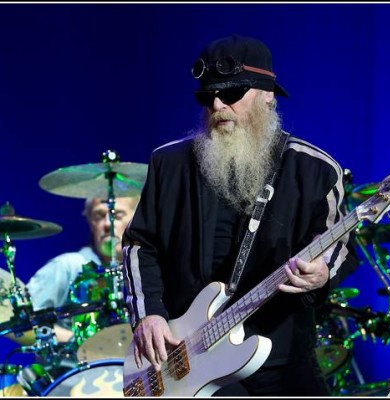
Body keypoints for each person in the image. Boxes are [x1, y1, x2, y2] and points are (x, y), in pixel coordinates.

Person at [122, 34, 358, 396]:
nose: (218, 104)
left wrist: (323, 271)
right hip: (186, 359)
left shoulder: (315, 169)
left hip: (279, 357)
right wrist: (149, 314)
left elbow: (335, 241)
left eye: (231, 94)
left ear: (268, 94)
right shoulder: (168, 164)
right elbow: (140, 244)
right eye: (208, 97)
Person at [11, 196, 139, 347]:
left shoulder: (147, 274)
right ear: (90, 222)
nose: (107, 224)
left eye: (116, 215)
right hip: (74, 367)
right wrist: (83, 343)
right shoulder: (68, 266)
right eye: (99, 216)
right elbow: (20, 325)